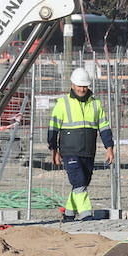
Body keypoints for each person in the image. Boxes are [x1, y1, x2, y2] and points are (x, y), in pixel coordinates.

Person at [47, 67, 114, 219]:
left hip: (88, 151)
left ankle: (69, 214)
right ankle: (86, 215)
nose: (82, 89)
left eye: (85, 86)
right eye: (79, 86)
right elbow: (53, 128)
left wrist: (109, 148)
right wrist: (54, 150)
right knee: (79, 181)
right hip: (69, 150)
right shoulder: (63, 103)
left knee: (81, 184)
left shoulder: (96, 103)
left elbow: (104, 127)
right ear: (72, 85)